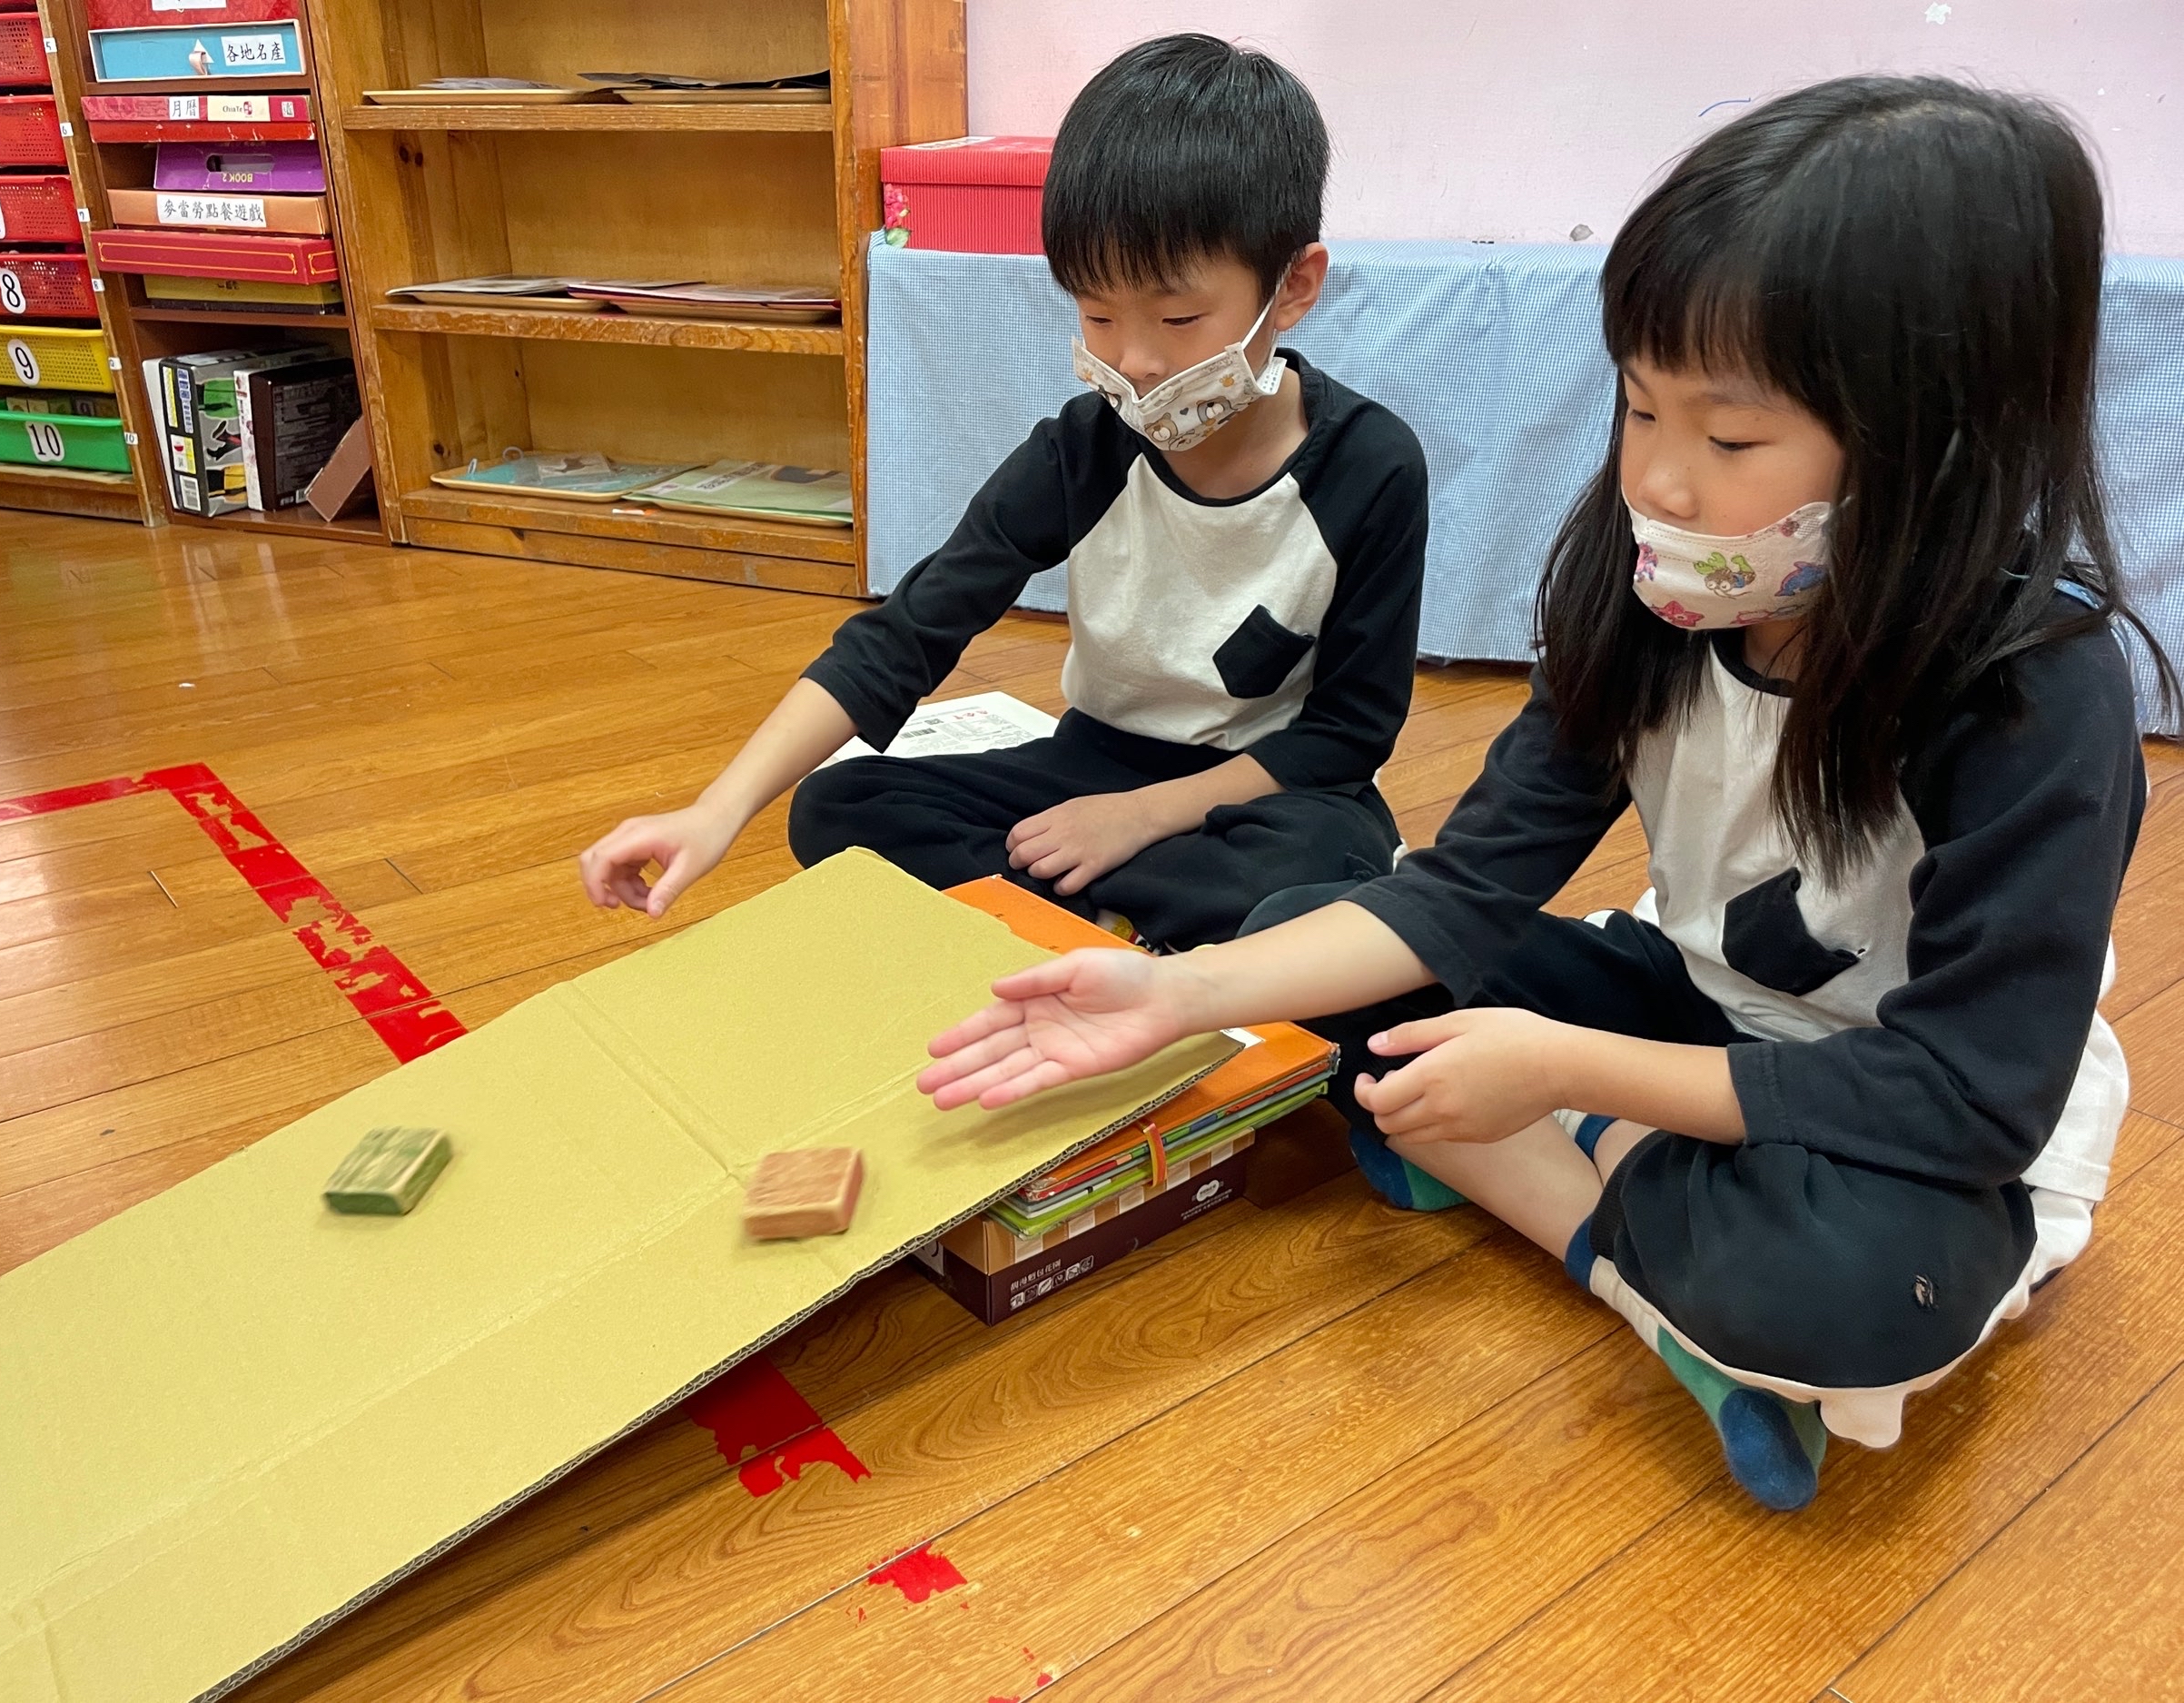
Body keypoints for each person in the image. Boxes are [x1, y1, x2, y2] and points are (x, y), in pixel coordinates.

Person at [916, 76, 2173, 1512]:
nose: (1663, 484)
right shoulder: (1652, 594)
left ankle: (1561, 1191)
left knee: (1859, 1286)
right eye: (1639, 407)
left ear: (1939, 443)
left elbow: (1964, 1094)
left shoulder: (2036, 695)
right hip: (1695, 1000)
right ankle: (1651, 1272)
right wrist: (1178, 993)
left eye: (1731, 441)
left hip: (1905, 1106)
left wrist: (1568, 1075)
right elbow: (1465, 889)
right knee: (1301, 935)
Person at [578, 34, 1428, 951]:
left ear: (1293, 286)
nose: (1135, 360)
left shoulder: (1370, 466)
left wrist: (1139, 818)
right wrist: (716, 809)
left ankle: (1089, 918)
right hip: (1092, 760)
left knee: (1309, 868)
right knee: (839, 806)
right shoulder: (1082, 452)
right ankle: (1140, 932)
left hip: (1265, 792)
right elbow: (908, 635)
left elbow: (1345, 737)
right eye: (1097, 314)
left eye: (1179, 318)